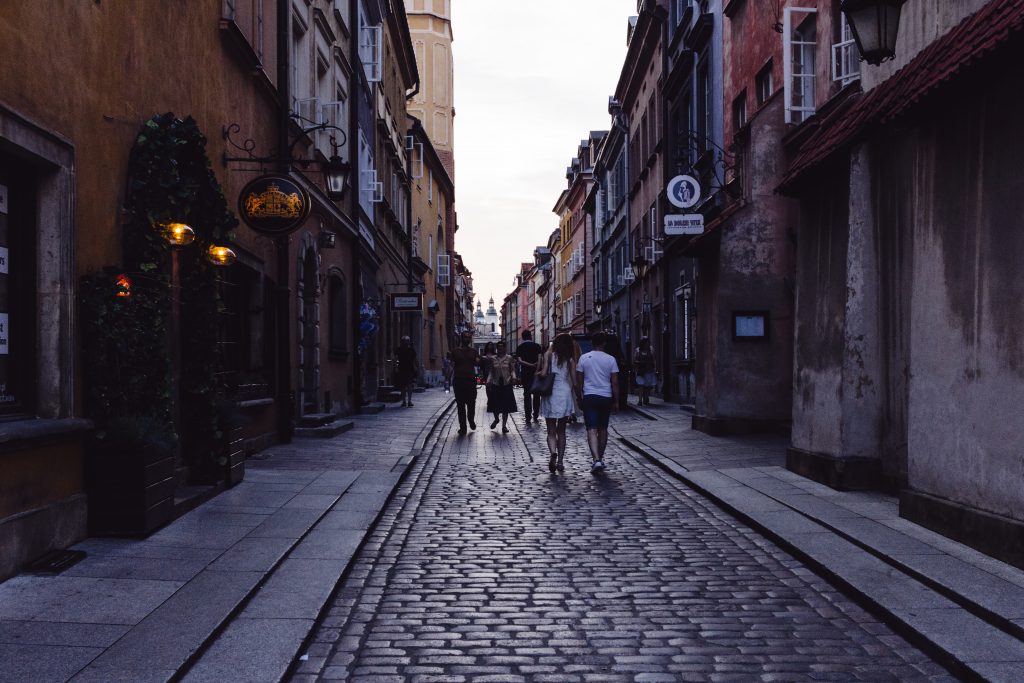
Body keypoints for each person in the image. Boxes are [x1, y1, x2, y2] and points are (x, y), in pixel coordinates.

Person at [575, 331, 619, 473]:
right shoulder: (611, 359)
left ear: (592, 343)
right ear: (604, 343)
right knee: (603, 429)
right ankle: (600, 457)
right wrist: (616, 401)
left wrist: (579, 397)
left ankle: (596, 460)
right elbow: (615, 383)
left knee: (591, 429)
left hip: (590, 396)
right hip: (605, 396)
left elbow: (579, 382)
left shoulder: (583, 358)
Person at [538, 333, 577, 473]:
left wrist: (538, 374)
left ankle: (552, 453)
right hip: (564, 393)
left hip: (551, 393)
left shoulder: (549, 356)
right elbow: (574, 381)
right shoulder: (570, 360)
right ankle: (560, 461)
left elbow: (543, 374)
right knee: (562, 431)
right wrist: (578, 395)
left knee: (551, 431)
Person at [450, 331, 481, 435]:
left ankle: (471, 420)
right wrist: (447, 378)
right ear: (461, 338)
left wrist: (478, 360)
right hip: (458, 380)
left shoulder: (474, 351)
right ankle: (463, 427)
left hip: (470, 380)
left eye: (469, 337)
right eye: (465, 337)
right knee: (460, 405)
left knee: (471, 403)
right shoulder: (455, 351)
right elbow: (451, 365)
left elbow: (477, 362)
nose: (467, 339)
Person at [486, 340, 518, 433]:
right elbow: (491, 371)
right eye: (498, 346)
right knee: (495, 405)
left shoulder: (509, 358)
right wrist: (488, 380)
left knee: (505, 406)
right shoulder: (493, 358)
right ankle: (496, 419)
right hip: (496, 383)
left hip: (506, 383)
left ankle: (504, 426)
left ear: (505, 348)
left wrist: (514, 377)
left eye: (502, 346)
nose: (500, 348)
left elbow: (512, 369)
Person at [515, 330, 542, 424]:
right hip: (536, 374)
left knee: (526, 395)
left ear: (522, 337)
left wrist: (529, 365)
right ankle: (536, 414)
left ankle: (527, 416)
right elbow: (540, 359)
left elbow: (520, 361)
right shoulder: (537, 346)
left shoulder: (520, 347)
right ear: (530, 336)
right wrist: (537, 370)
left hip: (525, 374)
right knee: (536, 395)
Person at [394, 336, 418, 407]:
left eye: (407, 341)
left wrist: (416, 367)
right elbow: (395, 359)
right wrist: (396, 367)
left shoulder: (411, 350)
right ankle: (404, 401)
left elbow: (414, 359)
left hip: (409, 369)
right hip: (402, 369)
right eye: (405, 341)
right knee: (403, 386)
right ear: (402, 342)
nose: (406, 342)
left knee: (410, 386)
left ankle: (409, 401)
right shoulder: (399, 349)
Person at [632, 337, 657, 406]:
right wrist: (638, 363)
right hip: (640, 371)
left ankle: (646, 399)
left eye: (648, 343)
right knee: (641, 386)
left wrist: (655, 368)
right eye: (646, 343)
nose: (647, 344)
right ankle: (640, 401)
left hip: (649, 370)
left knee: (647, 386)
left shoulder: (651, 350)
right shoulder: (638, 350)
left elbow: (654, 359)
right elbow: (634, 360)